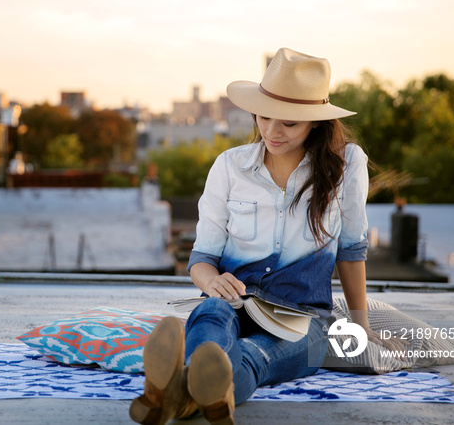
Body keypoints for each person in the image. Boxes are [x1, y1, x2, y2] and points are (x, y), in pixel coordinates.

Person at [130, 48, 405, 425]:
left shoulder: (347, 165)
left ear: (315, 123)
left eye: (289, 123)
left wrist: (361, 326)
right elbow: (201, 259)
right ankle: (196, 384)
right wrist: (213, 281)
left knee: (254, 357)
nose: (272, 132)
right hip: (233, 302)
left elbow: (351, 251)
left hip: (304, 321)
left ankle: (172, 392)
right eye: (264, 117)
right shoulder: (229, 166)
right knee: (210, 311)